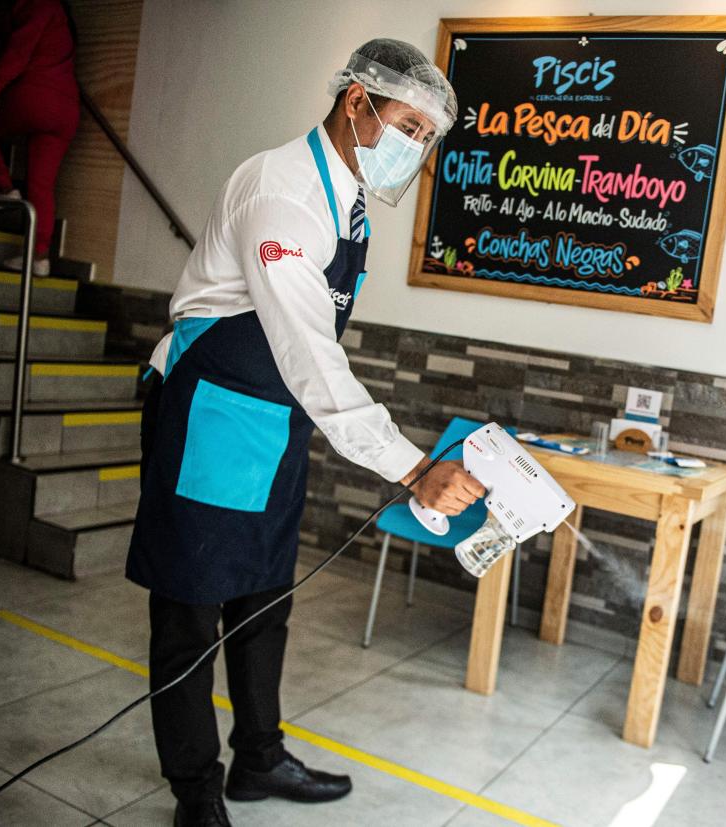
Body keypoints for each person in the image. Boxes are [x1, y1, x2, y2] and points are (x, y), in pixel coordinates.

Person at [125, 39, 485, 827]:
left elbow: (304, 361)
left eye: (428, 138)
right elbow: (308, 352)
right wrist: (412, 466)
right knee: (190, 612)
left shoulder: (347, 196)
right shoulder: (282, 193)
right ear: (357, 102)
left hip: (274, 415)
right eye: (408, 127)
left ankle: (258, 756)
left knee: (263, 598)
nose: (415, 150)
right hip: (214, 412)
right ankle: (197, 790)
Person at [0, 0, 80, 277]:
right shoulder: (60, 15)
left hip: (35, 96)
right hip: (67, 109)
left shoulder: (39, 5)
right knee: (41, 185)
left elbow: (20, 49)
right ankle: (39, 258)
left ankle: (5, 188)